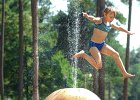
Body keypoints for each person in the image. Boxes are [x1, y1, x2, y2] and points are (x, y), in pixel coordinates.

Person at [73, 6, 135, 79]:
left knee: (115, 54)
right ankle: (83, 54)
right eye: (110, 17)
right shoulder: (100, 20)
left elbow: (119, 28)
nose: (112, 19)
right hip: (93, 45)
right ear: (105, 14)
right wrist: (87, 16)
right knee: (98, 64)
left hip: (102, 45)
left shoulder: (110, 24)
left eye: (113, 17)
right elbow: (93, 18)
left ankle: (124, 73)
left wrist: (128, 32)